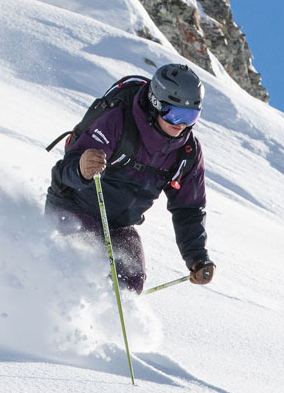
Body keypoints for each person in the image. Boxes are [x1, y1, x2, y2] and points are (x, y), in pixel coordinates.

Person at [46, 64, 217, 293]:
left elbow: (189, 209)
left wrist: (197, 257)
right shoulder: (118, 121)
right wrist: (81, 167)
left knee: (130, 280)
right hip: (74, 205)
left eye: (190, 116)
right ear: (157, 104)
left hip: (119, 226)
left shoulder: (187, 153)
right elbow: (65, 169)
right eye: (174, 113)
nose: (180, 124)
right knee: (80, 265)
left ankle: (110, 326)